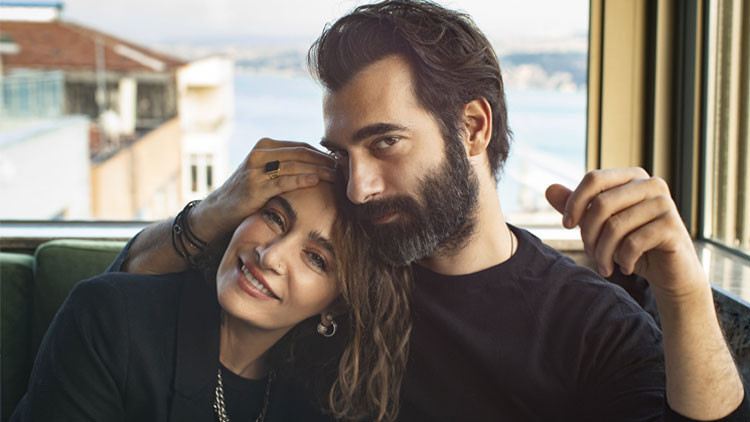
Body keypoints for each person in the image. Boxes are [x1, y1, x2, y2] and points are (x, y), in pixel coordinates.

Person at [108, 1, 749, 421]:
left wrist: (684, 292)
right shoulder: (330, 266)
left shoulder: (589, 325)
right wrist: (215, 210)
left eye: (385, 143)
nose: (358, 188)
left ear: (472, 128)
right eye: (343, 152)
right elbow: (131, 291)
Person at [11, 180, 412, 421]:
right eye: (275, 218)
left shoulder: (321, 400)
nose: (270, 255)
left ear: (336, 305)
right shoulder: (109, 318)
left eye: (316, 258)